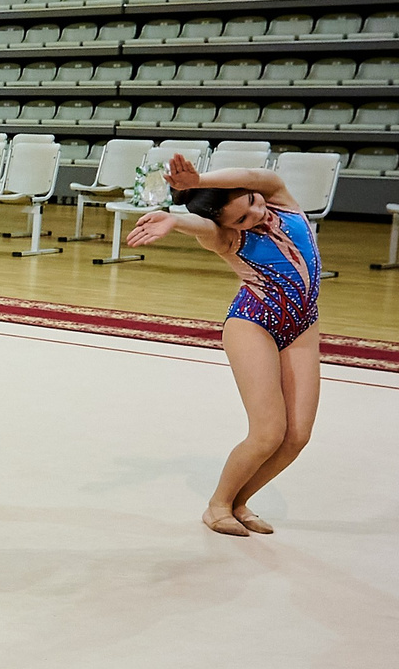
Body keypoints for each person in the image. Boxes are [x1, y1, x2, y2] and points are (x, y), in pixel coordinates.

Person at [123, 155, 321, 536]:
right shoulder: (229, 237)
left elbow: (251, 176)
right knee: (267, 433)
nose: (255, 216)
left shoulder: (279, 198)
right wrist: (176, 219)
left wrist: (198, 180)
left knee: (296, 437)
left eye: (251, 203)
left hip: (302, 326)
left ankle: (239, 503)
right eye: (242, 219)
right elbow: (204, 228)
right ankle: (218, 506)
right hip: (254, 324)